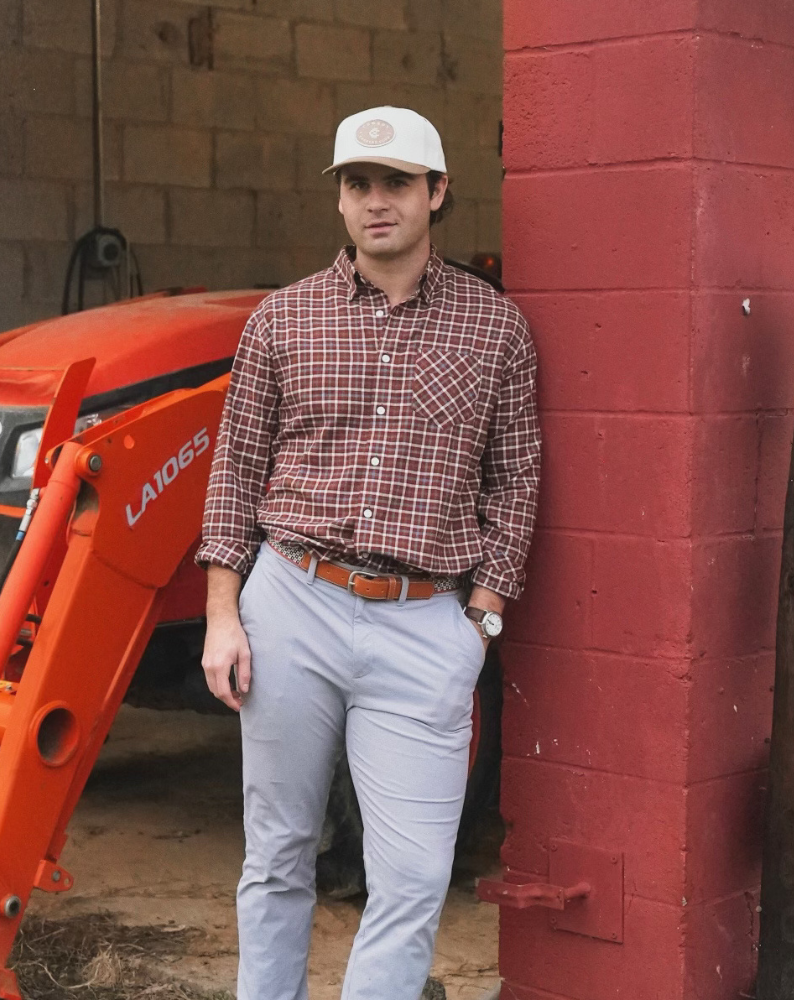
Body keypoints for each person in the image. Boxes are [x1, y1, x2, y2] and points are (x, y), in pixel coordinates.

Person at [196, 105, 541, 1000]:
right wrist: (224, 617)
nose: (375, 201)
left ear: (437, 193)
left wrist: (483, 618)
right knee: (276, 858)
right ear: (340, 202)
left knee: (414, 879)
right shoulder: (281, 321)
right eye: (358, 184)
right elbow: (234, 476)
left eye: (396, 183)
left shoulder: (494, 329)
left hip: (425, 622)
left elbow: (517, 479)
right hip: (292, 606)